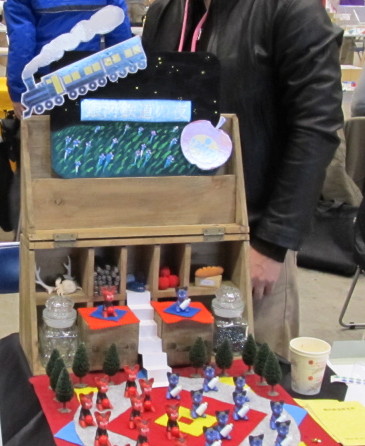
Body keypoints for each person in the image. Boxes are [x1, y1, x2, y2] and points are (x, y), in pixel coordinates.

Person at [142, 0, 342, 357]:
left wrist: (273, 243)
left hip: (252, 238)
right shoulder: (166, 13)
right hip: (171, 234)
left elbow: (317, 129)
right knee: (173, 366)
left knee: (255, 368)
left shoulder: (291, 9)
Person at [5, 0, 133, 113]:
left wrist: (19, 91)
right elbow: (120, 34)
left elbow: (22, 40)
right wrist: (125, 83)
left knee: (41, 130)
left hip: (45, 80)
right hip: (92, 74)